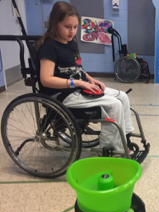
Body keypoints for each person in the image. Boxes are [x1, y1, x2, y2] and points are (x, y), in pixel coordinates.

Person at [36, 1, 133, 153]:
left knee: (122, 97)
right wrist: (79, 83)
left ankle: (125, 138)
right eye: (67, 27)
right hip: (62, 95)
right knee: (114, 105)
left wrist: (90, 79)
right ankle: (110, 148)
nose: (72, 31)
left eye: (75, 27)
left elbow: (77, 69)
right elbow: (46, 79)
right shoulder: (49, 47)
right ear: (55, 23)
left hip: (78, 87)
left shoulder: (71, 44)